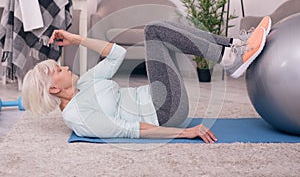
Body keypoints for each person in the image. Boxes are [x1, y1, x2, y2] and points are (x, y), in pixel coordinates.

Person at [22, 16, 271, 144]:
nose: (65, 66)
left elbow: (116, 53)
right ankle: (229, 58)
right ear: (54, 88)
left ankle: (234, 46)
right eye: (59, 69)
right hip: (164, 111)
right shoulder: (77, 116)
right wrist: (185, 133)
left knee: (160, 27)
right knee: (153, 30)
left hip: (159, 94)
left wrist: (77, 39)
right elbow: (130, 130)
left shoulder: (84, 83)